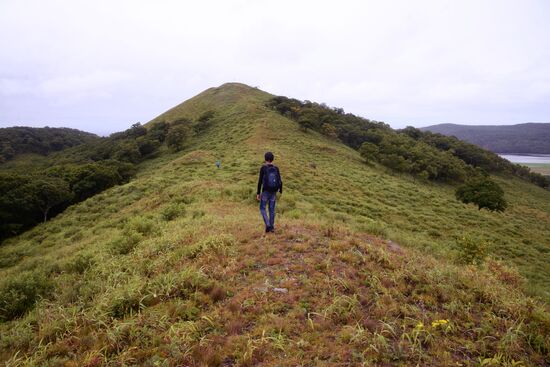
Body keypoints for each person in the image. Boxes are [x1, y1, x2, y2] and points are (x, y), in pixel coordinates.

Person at [256, 151, 283, 233]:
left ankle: (267, 224)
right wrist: (280, 190)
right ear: (272, 159)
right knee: (271, 209)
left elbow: (260, 181)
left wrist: (258, 193)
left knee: (262, 208)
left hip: (265, 192)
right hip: (274, 192)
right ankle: (271, 227)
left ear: (265, 159)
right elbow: (280, 181)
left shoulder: (263, 168)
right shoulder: (276, 168)